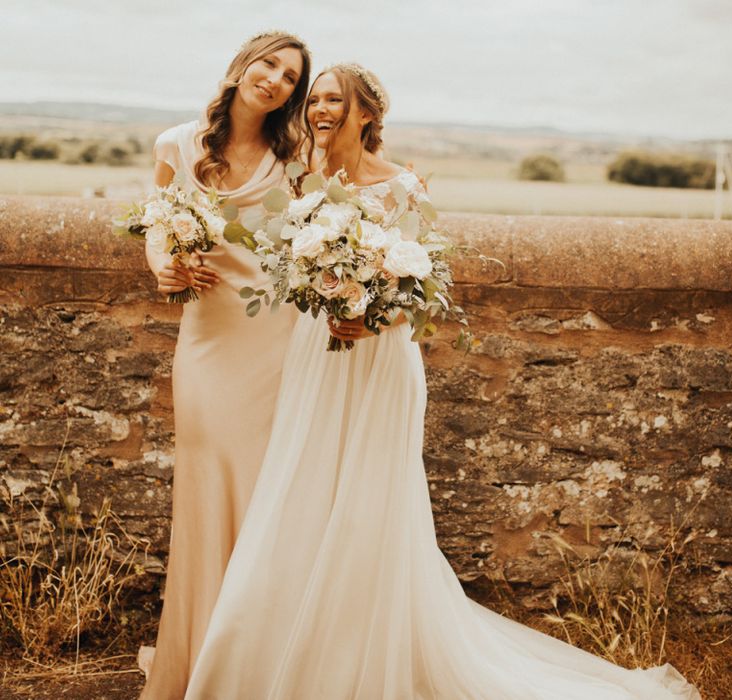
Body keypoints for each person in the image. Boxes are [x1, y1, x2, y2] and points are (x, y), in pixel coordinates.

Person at [184, 64, 701, 699]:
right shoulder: (300, 179)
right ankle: (286, 644)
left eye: (333, 101)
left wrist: (373, 318)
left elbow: (424, 291)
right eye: (314, 99)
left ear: (369, 114)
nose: (319, 110)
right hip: (314, 356)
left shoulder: (403, 187)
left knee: (372, 506)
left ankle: (361, 659)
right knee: (301, 492)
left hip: (379, 361)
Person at [138, 31, 311, 700]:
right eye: (269, 63)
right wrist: (166, 265)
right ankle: (203, 652)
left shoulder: (294, 157)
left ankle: (265, 655)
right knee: (210, 488)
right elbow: (157, 224)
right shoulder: (177, 145)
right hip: (209, 338)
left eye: (290, 77)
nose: (275, 80)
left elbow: (339, 215)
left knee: (271, 490)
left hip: (279, 338)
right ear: (243, 64)